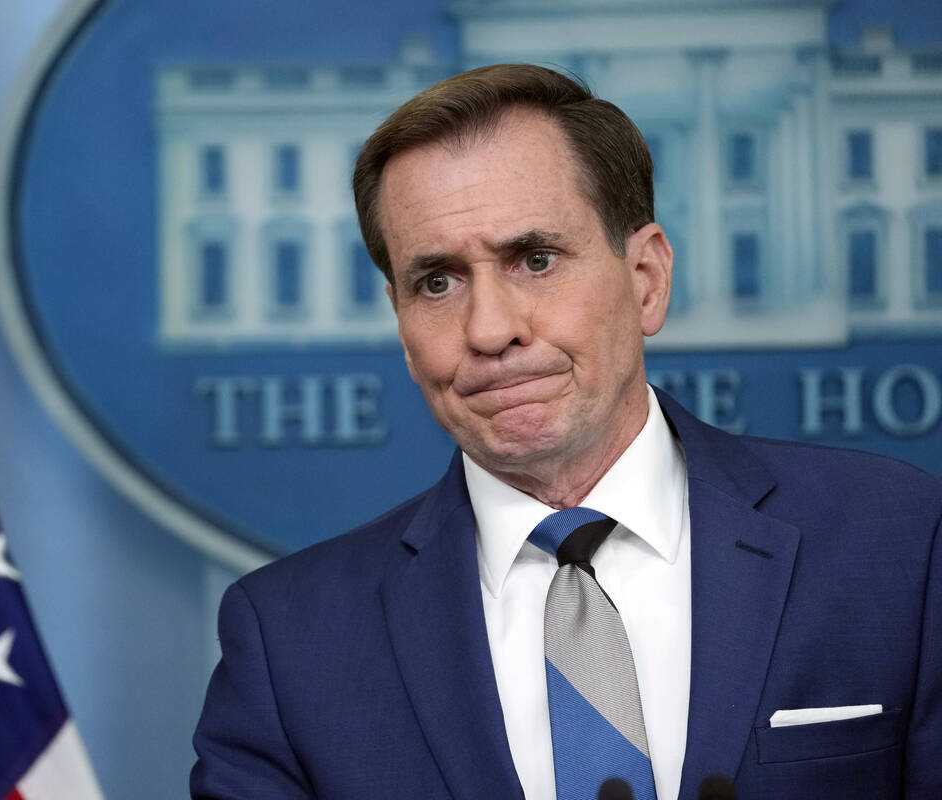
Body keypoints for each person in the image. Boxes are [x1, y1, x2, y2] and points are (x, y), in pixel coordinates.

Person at [189, 64, 942, 800]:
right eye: (437, 283)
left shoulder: (902, 545)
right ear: (400, 320)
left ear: (645, 278)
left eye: (536, 260)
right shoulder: (288, 641)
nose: (489, 331)